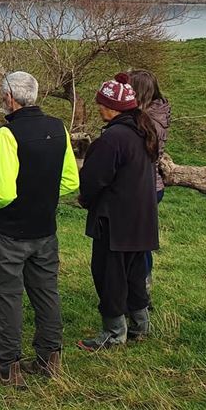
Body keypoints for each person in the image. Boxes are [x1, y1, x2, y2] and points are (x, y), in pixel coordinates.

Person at [0, 72, 80, 388]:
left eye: (2, 95)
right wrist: (43, 197)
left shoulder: (7, 134)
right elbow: (71, 181)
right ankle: (50, 361)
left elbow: (5, 191)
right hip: (45, 231)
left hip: (10, 232)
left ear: (10, 97)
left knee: (10, 299)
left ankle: (8, 370)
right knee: (47, 294)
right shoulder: (58, 128)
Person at [78, 73, 160, 351]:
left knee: (108, 275)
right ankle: (140, 324)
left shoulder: (112, 139)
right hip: (142, 220)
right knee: (134, 275)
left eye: (101, 103)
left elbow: (92, 180)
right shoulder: (143, 131)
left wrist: (86, 200)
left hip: (115, 223)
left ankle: (114, 333)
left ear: (112, 107)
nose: (99, 107)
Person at [128, 69, 169, 304]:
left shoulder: (146, 120)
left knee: (137, 244)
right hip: (153, 184)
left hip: (142, 187)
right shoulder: (159, 112)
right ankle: (141, 289)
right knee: (141, 242)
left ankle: (140, 293)